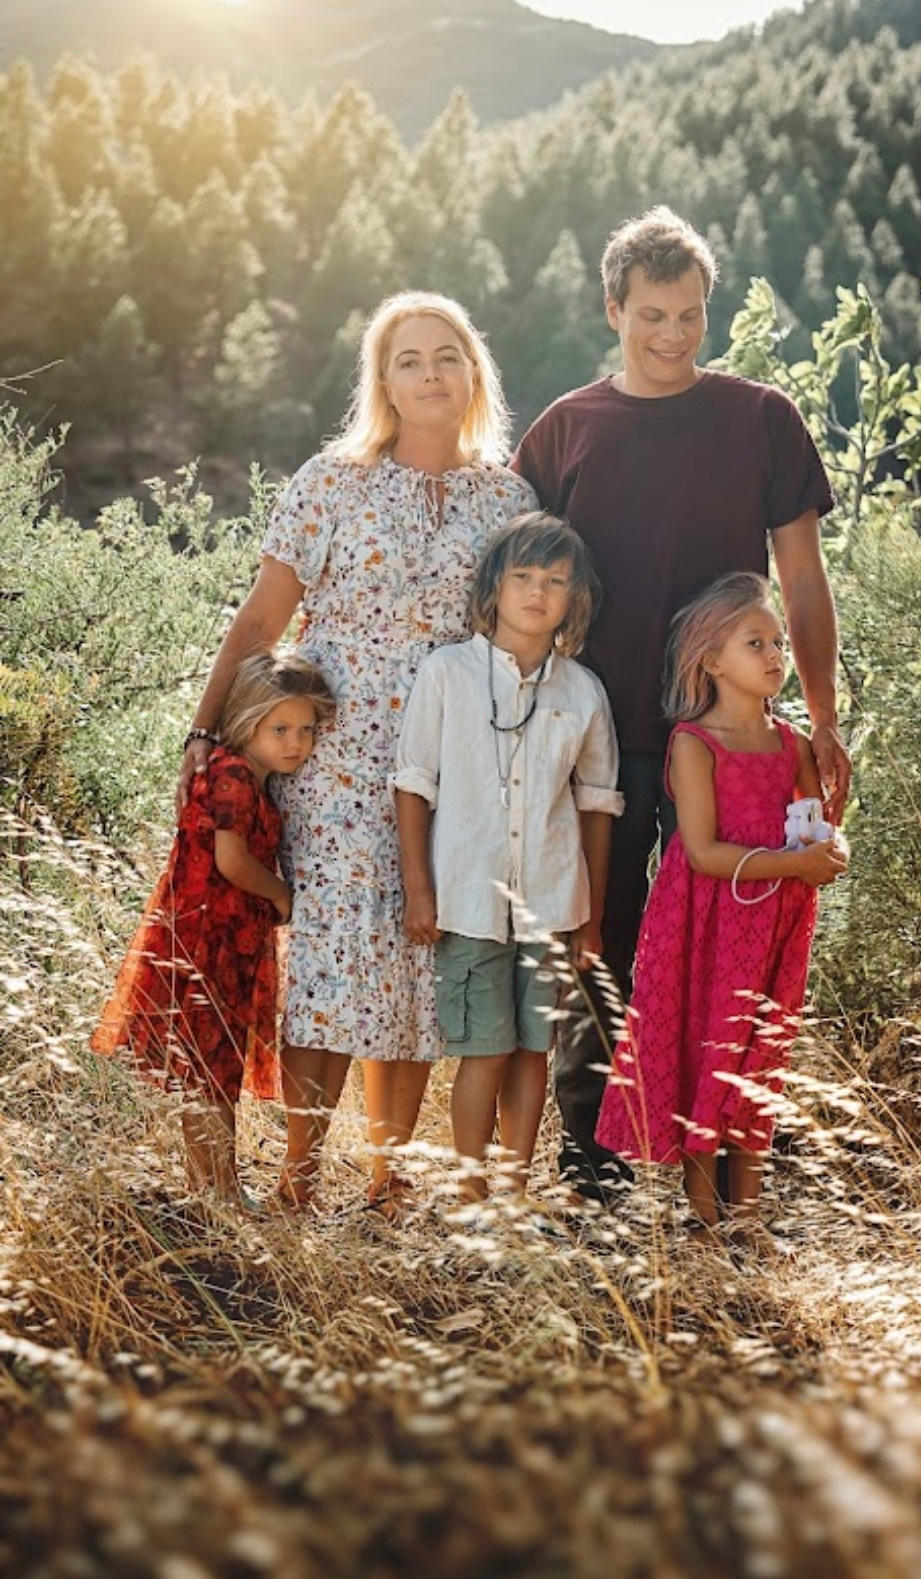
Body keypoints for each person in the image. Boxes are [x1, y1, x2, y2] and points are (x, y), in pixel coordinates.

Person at [511, 204, 852, 1204]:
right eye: (652, 314)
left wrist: (821, 715)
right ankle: (598, 1150)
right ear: (611, 308)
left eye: (691, 316)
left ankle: (729, 1132)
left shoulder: (759, 417)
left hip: (732, 727)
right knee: (603, 928)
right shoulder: (566, 429)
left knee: (738, 916)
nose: (672, 335)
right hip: (597, 722)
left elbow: (802, 580)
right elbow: (518, 591)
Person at [177, 291, 537, 1214]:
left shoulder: (506, 496)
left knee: (417, 966)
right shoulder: (330, 480)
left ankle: (384, 1182)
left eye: (445, 356)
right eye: (408, 360)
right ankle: (298, 1179)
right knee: (339, 959)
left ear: (473, 372)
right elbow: (262, 616)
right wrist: (207, 730)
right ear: (381, 380)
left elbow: (525, 630)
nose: (429, 374)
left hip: (452, 759)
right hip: (333, 752)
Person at [594, 572, 849, 1245]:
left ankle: (749, 1219)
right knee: (708, 1046)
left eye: (777, 643)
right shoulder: (692, 742)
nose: (774, 656)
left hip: (773, 925)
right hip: (703, 922)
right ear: (710, 659)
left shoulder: (792, 744)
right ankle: (704, 1220)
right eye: (754, 642)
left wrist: (826, 849)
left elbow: (806, 826)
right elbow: (701, 851)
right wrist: (794, 864)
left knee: (759, 1053)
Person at [392, 512, 623, 1207]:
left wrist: (590, 917)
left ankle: (515, 1191)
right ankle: (471, 1194)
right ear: (493, 587)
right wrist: (419, 890)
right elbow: (413, 784)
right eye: (522, 576)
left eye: (554, 581)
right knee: (484, 1049)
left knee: (532, 1051)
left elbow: (597, 805)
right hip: (466, 899)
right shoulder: (447, 673)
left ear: (573, 599)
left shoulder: (582, 691)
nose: (537, 592)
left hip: (553, 902)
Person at [92, 650, 336, 1210]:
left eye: (305, 730)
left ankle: (212, 1185)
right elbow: (231, 861)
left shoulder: (248, 773)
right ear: (246, 720)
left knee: (210, 1067)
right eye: (279, 729)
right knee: (210, 1067)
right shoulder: (232, 777)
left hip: (223, 935)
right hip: (210, 940)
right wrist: (278, 892)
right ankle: (217, 1191)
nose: (296, 743)